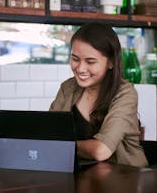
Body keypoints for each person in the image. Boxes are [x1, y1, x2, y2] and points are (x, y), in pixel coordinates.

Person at [50, 22, 148, 167]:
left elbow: (101, 151)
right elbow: (48, 136)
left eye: (90, 61)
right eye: (75, 59)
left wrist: (62, 146)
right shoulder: (68, 88)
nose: (81, 68)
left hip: (125, 179)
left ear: (111, 62)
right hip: (79, 176)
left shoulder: (125, 93)